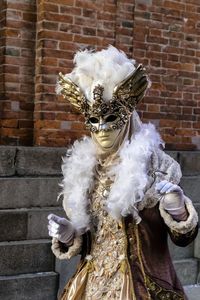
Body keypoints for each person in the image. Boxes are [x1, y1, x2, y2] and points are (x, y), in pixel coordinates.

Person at [47, 46, 198, 300]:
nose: (103, 128)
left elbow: (182, 239)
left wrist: (179, 210)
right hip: (91, 287)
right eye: (94, 121)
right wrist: (69, 235)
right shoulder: (85, 169)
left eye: (111, 117)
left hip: (141, 286)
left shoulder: (156, 167)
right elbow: (89, 238)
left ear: (127, 118)